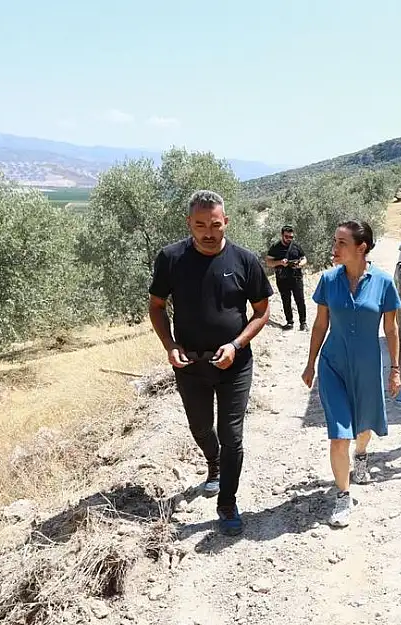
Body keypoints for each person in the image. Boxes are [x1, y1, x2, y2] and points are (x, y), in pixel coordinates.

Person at [147, 189, 273, 536]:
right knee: (201, 428)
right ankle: (213, 464)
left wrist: (236, 344)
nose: (207, 231)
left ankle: (227, 502)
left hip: (235, 364)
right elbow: (157, 305)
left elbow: (261, 312)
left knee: (233, 435)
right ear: (189, 223)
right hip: (189, 365)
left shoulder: (245, 261)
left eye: (214, 224)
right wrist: (170, 345)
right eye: (199, 224)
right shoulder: (170, 258)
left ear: (225, 223)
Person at [301, 219, 401, 528]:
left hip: (368, 365)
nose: (335, 247)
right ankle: (343, 496)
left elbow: (391, 328)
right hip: (332, 365)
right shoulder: (328, 281)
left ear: (361, 248)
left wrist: (395, 369)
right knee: (339, 434)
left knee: (363, 425)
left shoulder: (384, 283)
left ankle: (362, 455)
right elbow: (320, 325)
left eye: (341, 242)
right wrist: (310, 363)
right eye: (336, 241)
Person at [264, 225, 308, 331]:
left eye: (291, 237)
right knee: (286, 300)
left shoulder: (296, 246)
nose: (289, 239)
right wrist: (279, 262)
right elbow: (268, 262)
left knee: (300, 300)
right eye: (287, 236)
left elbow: (304, 258)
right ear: (282, 235)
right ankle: (289, 322)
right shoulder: (275, 247)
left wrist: (300, 264)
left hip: (296, 277)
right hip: (282, 278)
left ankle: (303, 322)